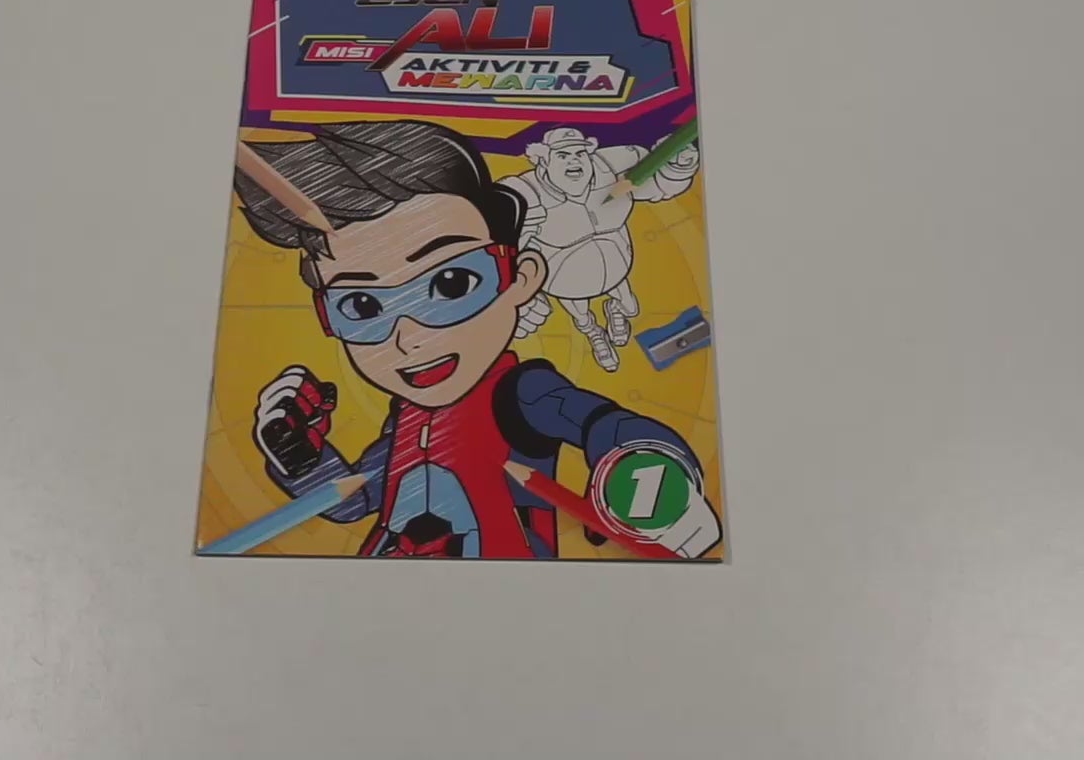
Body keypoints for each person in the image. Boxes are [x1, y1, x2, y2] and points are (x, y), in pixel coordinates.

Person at [234, 120, 720, 558]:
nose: (409, 338)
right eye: (361, 307)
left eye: (452, 284)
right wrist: (301, 457)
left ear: (521, 276)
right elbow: (356, 500)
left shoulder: (521, 394)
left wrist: (652, 473)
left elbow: (603, 424)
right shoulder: (407, 418)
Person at [499, 126, 700, 371]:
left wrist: (678, 166)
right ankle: (594, 333)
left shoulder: (612, 167)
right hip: (566, 281)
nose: (574, 160)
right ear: (543, 160)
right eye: (562, 155)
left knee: (631, 308)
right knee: (582, 316)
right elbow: (495, 240)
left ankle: (614, 309)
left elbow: (659, 186)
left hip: (617, 267)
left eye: (580, 153)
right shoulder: (524, 194)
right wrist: (514, 294)